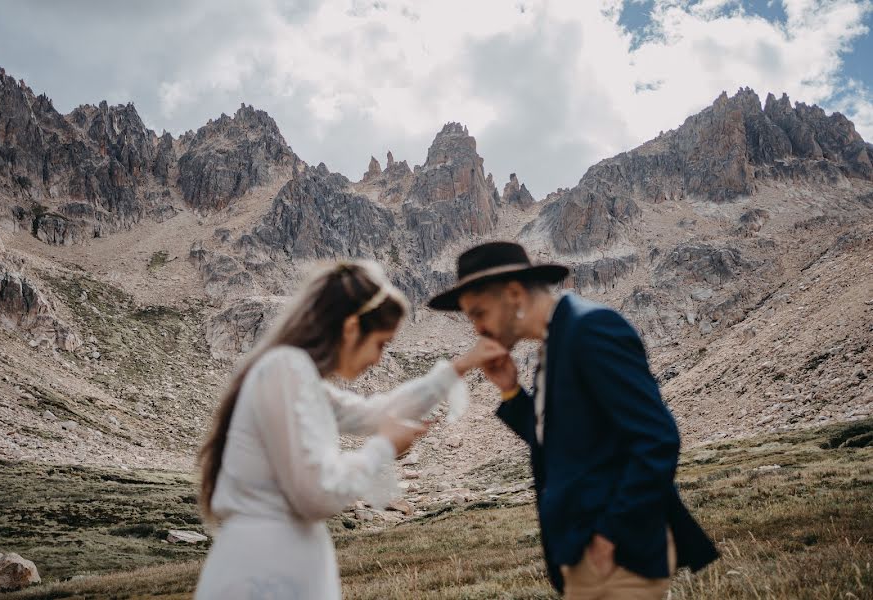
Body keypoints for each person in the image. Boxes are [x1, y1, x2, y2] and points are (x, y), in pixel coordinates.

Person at [195, 260, 504, 600]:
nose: (379, 359)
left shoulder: (297, 375)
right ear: (351, 327)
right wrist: (384, 447)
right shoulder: (286, 370)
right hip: (265, 575)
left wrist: (459, 366)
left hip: (276, 567)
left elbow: (381, 411)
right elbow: (317, 493)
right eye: (382, 344)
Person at [428, 241, 718, 600]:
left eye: (478, 313)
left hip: (617, 557)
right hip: (588, 553)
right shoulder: (557, 342)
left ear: (515, 294)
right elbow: (566, 444)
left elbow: (657, 439)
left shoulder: (591, 330)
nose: (477, 328)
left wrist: (609, 535)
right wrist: (511, 393)